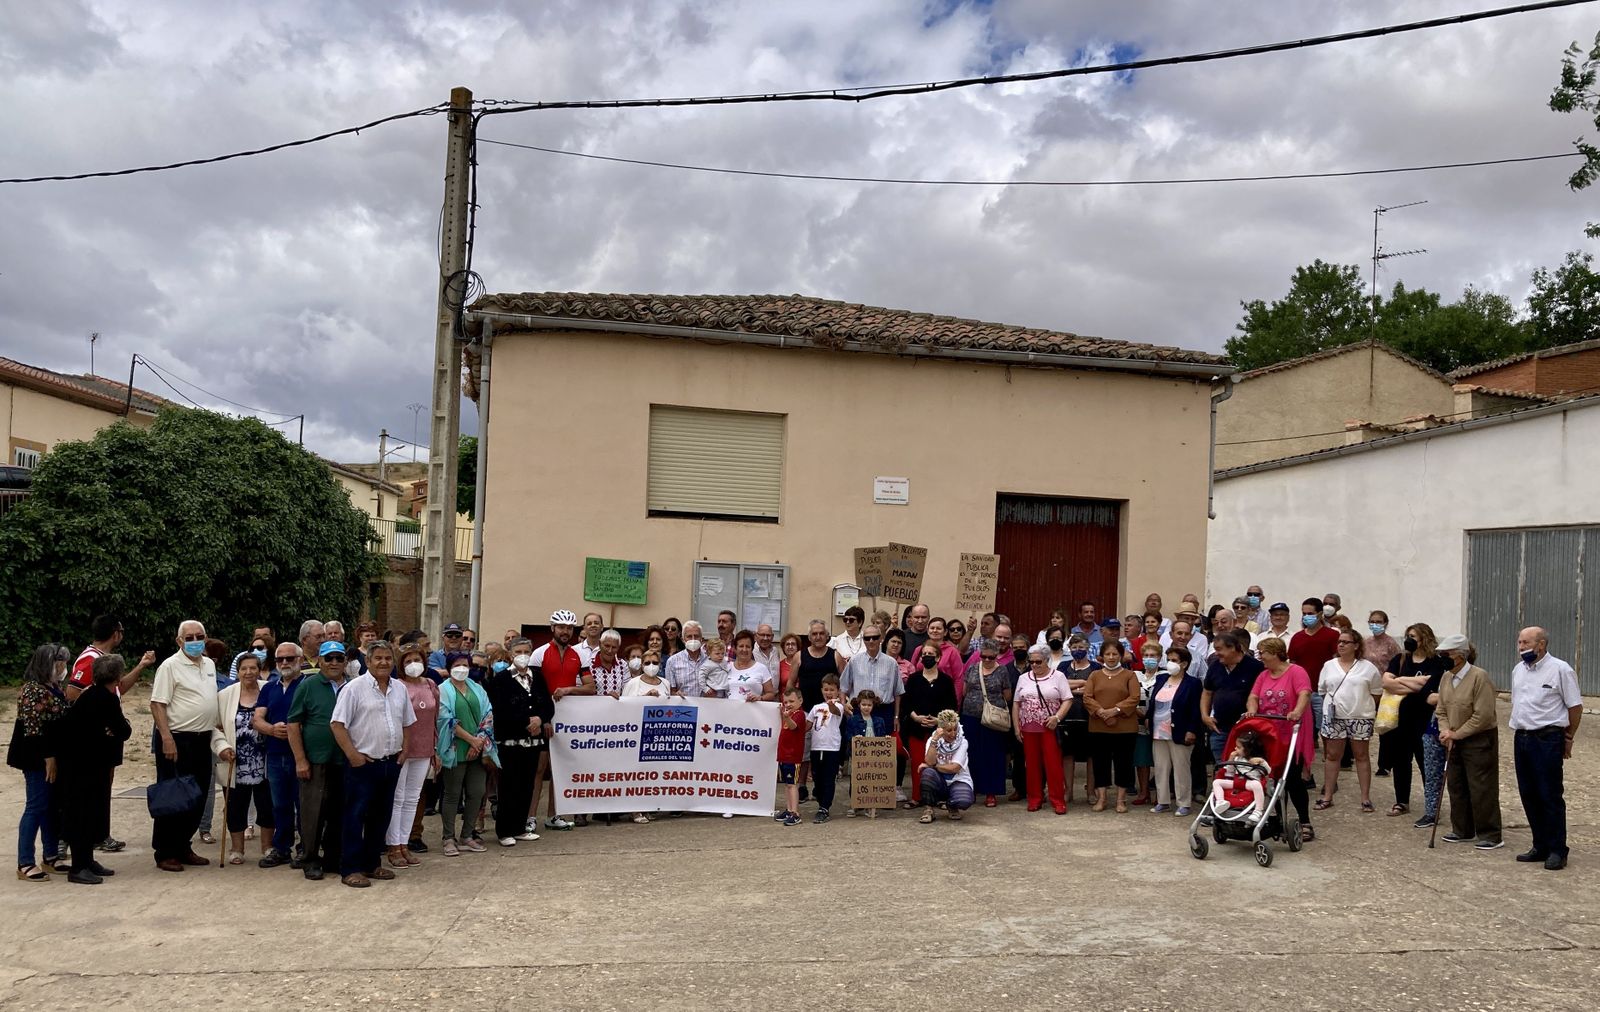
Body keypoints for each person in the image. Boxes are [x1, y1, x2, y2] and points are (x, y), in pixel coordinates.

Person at [328, 639, 414, 888]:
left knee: (381, 816)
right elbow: (337, 724)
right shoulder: (354, 689)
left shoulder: (399, 689)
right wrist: (353, 755)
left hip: (390, 763)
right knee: (355, 815)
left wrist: (405, 750)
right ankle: (351, 868)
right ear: (368, 661)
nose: (383, 662)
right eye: (378, 658)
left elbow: (408, 723)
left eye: (388, 658)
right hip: (362, 764)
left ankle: (372, 863)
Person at [149, 619, 224, 872]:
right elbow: (158, 704)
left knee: (199, 794)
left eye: (199, 636)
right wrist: (167, 738)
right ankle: (165, 851)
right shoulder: (169, 666)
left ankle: (183, 846)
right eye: (189, 637)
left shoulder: (210, 664)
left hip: (203, 739)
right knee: (173, 795)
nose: (194, 641)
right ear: (179, 641)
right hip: (177, 739)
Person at [54, 655, 134, 884]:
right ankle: (79, 867)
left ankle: (87, 860)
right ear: (117, 677)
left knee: (91, 812)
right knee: (82, 813)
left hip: (87, 763)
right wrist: (117, 727)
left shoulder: (90, 693)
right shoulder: (105, 698)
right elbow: (123, 730)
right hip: (84, 765)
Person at [1507, 626, 1581, 870]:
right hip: (1523, 737)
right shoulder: (1518, 670)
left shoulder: (1560, 669)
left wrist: (1568, 737)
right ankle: (1539, 845)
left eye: (1526, 642)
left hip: (1547, 738)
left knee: (1549, 795)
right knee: (1528, 793)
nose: (1521, 647)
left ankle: (1558, 849)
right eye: (1519, 643)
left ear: (1541, 644)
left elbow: (1575, 706)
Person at [288, 640, 351, 881]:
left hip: (344, 759)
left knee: (339, 810)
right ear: (320, 661)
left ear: (345, 661)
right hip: (316, 759)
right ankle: (310, 858)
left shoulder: (352, 687)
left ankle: (333, 856)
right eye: (329, 658)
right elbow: (293, 723)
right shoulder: (308, 685)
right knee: (312, 811)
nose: (334, 663)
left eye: (338, 658)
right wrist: (300, 759)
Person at [1434, 634, 1502, 850]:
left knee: (1481, 786)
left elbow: (1482, 716)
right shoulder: (1446, 677)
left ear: (1460, 656)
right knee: (1456, 784)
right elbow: (1441, 709)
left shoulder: (1479, 677)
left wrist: (1458, 734)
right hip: (1453, 738)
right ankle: (1462, 829)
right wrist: (1446, 731)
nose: (1442, 658)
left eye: (1446, 654)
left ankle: (1490, 834)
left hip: (1478, 739)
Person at [10, 644, 70, 880]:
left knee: (51, 807)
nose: (64, 666)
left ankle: (50, 856)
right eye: (61, 662)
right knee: (36, 805)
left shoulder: (53, 686)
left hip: (53, 754)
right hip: (37, 758)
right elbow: (33, 730)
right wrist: (49, 759)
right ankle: (25, 862)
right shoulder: (33, 690)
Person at [1247, 637, 1315, 843]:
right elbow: (1254, 696)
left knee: (1292, 779)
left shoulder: (1296, 672)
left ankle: (1305, 821)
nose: (1261, 658)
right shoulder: (1263, 675)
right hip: (1269, 732)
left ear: (1275, 653)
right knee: (1272, 778)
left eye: (1263, 653)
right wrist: (1252, 711)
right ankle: (1278, 818)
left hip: (1290, 732)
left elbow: (1304, 693)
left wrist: (1297, 711)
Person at [530, 610, 593, 829]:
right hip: (544, 718)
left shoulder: (579, 655)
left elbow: (590, 688)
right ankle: (530, 817)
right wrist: (544, 717)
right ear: (552, 628)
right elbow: (534, 691)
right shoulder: (538, 654)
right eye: (561, 627)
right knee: (539, 769)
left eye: (569, 628)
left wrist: (568, 689)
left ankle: (553, 815)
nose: (565, 632)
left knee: (559, 769)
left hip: (567, 719)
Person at [488, 638, 554, 847]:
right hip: (510, 742)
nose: (523, 655)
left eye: (527, 651)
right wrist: (525, 722)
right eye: (519, 651)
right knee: (509, 786)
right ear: (510, 654)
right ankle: (504, 830)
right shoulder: (501, 680)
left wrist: (540, 719)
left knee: (526, 785)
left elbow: (547, 704)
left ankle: (519, 827)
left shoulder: (538, 677)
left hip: (533, 743)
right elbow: (499, 710)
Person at [1380, 624, 1447, 826]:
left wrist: (1400, 681)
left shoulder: (1436, 662)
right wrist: (1415, 684)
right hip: (1401, 718)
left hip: (1425, 719)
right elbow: (1387, 682)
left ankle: (1432, 806)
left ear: (1424, 638)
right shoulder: (1400, 659)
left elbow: (1430, 684)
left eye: (1413, 636)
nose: (1409, 639)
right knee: (1401, 762)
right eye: (1407, 635)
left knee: (1426, 763)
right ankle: (1402, 801)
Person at [1315, 630, 1383, 813]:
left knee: (1361, 756)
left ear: (1356, 645)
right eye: (1339, 642)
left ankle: (1365, 798)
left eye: (1346, 642)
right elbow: (1322, 691)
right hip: (1335, 717)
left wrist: (1360, 706)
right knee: (1332, 756)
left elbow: (1376, 692)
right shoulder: (1328, 665)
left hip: (1360, 717)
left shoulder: (1367, 667)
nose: (1341, 645)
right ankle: (1328, 795)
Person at [214, 653, 272, 866]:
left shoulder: (269, 689)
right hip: (236, 761)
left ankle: (267, 847)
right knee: (235, 806)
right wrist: (222, 747)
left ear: (259, 669)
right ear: (237, 672)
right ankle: (237, 848)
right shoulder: (225, 695)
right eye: (244, 669)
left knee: (267, 805)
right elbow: (214, 726)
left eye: (253, 668)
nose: (249, 672)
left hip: (264, 760)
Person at [436, 653, 496, 856]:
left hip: (477, 749)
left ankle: (467, 835)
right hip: (455, 748)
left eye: (465, 665)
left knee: (477, 792)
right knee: (452, 795)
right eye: (457, 665)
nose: (461, 668)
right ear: (449, 667)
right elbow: (445, 718)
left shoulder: (477, 688)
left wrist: (478, 741)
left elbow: (488, 713)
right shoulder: (442, 690)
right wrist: (470, 740)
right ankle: (448, 837)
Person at [386, 641, 439, 868]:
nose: (413, 664)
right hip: (402, 749)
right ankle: (393, 846)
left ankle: (405, 843)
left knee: (412, 799)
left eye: (417, 660)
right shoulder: (396, 685)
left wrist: (435, 749)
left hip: (424, 749)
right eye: (408, 661)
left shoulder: (430, 684)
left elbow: (436, 719)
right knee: (397, 799)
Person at [253, 643, 304, 869]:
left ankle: (306, 849)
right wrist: (272, 729)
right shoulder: (269, 688)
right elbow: (257, 718)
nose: (284, 663)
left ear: (300, 660)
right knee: (280, 805)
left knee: (303, 805)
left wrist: (296, 730)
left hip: (301, 755)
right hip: (275, 754)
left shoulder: (308, 685)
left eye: (289, 658)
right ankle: (282, 848)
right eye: (280, 659)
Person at [1010, 645, 1072, 815]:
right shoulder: (1024, 678)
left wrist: (1057, 717)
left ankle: (1057, 800)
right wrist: (1017, 727)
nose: (1035, 665)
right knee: (1031, 765)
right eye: (1032, 662)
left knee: (1053, 765)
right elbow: (1016, 703)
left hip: (1049, 728)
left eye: (1039, 661)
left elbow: (1067, 699)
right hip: (1028, 728)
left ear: (1047, 660)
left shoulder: (1058, 676)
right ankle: (1034, 798)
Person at [1083, 640, 1140, 813]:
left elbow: (1134, 697)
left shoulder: (1130, 675)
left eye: (1115, 654)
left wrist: (1114, 711)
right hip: (1099, 726)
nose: (1111, 657)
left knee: (1124, 762)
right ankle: (1102, 798)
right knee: (1101, 763)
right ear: (1102, 656)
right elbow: (1087, 697)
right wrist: (1101, 712)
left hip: (1124, 728)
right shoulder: (1094, 675)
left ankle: (1121, 800)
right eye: (1108, 654)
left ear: (1121, 656)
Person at [1149, 644, 1203, 817]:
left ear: (1184, 664)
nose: (1170, 663)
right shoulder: (1161, 679)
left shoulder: (1193, 683)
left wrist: (1192, 730)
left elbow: (1196, 709)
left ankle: (1183, 802)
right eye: (1169, 660)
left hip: (1180, 731)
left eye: (1174, 660)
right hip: (1159, 731)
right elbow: (1154, 703)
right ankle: (1163, 801)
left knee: (1181, 768)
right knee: (1161, 767)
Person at [902, 642, 957, 809]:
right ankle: (917, 797)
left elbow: (952, 706)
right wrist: (916, 718)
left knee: (940, 763)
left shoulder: (946, 681)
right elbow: (906, 703)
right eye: (923, 654)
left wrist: (939, 721)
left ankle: (939, 797)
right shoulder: (913, 679)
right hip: (917, 728)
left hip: (939, 730)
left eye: (930, 654)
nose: (926, 657)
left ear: (938, 657)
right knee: (918, 763)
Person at [792, 621, 842, 804]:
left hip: (829, 713)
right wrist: (792, 706)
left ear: (827, 635)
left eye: (822, 633)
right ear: (810, 636)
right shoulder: (800, 656)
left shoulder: (835, 656)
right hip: (806, 710)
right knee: (805, 753)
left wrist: (841, 704)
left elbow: (844, 682)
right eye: (814, 634)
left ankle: (821, 788)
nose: (818, 637)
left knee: (824, 753)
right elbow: (791, 684)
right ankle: (803, 786)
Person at [959, 639, 1012, 807]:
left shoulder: (1002, 671)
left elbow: (1008, 695)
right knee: (971, 754)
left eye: (991, 657)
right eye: (984, 656)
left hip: (992, 720)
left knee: (993, 755)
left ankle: (991, 792)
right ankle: (972, 789)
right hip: (970, 717)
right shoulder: (973, 668)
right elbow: (964, 690)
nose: (987, 660)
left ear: (996, 656)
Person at [1289, 598, 1341, 763]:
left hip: (1323, 692)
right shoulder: (1297, 637)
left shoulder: (1332, 635)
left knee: (1326, 731)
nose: (1306, 617)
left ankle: (1330, 765)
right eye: (1304, 614)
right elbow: (1293, 664)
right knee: (1303, 732)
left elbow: (1336, 662)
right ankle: (1305, 767)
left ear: (1319, 614)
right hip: (1302, 692)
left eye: (1310, 614)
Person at [66, 614, 154, 703]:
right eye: (122, 631)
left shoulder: (101, 657)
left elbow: (119, 687)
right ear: (115, 634)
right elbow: (71, 694)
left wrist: (141, 665)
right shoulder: (91, 659)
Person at [1056, 633, 1099, 803]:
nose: (1078, 650)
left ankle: (1091, 793)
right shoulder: (1063, 665)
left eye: (1081, 647)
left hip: (1089, 717)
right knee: (1067, 755)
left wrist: (1072, 688)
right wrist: (1083, 684)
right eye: (1074, 648)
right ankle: (1068, 792)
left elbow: (1095, 687)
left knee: (1091, 756)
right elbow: (1059, 685)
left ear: (1088, 648)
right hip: (1067, 717)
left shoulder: (1096, 667)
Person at [918, 711, 974, 822]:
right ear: (941, 730)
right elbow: (929, 761)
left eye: (955, 729)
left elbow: (955, 768)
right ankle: (929, 809)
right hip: (940, 780)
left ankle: (952, 806)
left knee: (964, 800)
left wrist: (933, 766)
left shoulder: (963, 742)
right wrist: (934, 740)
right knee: (927, 774)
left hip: (958, 779)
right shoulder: (932, 740)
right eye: (949, 730)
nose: (953, 734)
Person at [843, 690, 892, 817]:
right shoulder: (853, 720)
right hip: (858, 756)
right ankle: (855, 805)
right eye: (864, 704)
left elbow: (881, 737)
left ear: (873, 705)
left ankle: (870, 806)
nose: (866, 707)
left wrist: (886, 739)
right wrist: (855, 737)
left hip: (874, 757)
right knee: (856, 780)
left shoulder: (879, 720)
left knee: (872, 780)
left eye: (869, 705)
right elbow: (847, 735)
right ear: (859, 704)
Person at [841, 626, 902, 724]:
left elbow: (897, 692)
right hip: (859, 710)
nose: (871, 641)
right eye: (867, 638)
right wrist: (844, 705)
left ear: (881, 638)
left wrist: (896, 716)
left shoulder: (891, 663)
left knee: (884, 739)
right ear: (863, 640)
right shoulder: (854, 661)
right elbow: (843, 687)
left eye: (875, 637)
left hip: (884, 711)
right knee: (858, 739)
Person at [806, 675, 846, 823]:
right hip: (816, 748)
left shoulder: (839, 706)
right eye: (826, 689)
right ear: (822, 690)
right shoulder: (816, 708)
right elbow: (808, 725)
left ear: (837, 691)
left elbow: (835, 711)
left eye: (832, 690)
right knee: (817, 777)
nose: (829, 692)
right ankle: (820, 796)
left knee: (829, 779)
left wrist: (831, 704)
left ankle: (824, 808)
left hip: (831, 749)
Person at [1211, 729, 1271, 816]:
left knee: (1257, 785)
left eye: (1238, 747)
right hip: (1236, 782)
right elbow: (1229, 773)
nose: (1235, 749)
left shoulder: (1258, 760)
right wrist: (1231, 760)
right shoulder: (1236, 758)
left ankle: (1258, 810)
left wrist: (1262, 762)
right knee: (1216, 782)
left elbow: (1268, 771)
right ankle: (1220, 802)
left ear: (1248, 749)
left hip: (1250, 783)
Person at [774, 687, 807, 826]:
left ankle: (795, 812)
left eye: (791, 701)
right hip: (784, 755)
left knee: (792, 784)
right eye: (786, 702)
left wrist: (786, 717)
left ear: (800, 700)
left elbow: (793, 727)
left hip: (793, 756)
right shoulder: (789, 714)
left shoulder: (799, 714)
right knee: (787, 785)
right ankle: (789, 809)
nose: (788, 704)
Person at [665, 620, 710, 698]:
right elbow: (670, 691)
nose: (693, 639)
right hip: (685, 708)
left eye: (696, 636)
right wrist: (676, 694)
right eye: (689, 636)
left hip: (707, 707)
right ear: (683, 639)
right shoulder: (672, 661)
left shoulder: (710, 659)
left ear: (701, 638)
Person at [727, 630, 776, 703]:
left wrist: (760, 698)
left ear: (752, 649)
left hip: (752, 712)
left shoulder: (761, 668)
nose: (744, 649)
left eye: (748, 646)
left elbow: (771, 694)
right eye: (741, 646)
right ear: (734, 649)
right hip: (728, 711)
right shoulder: (726, 667)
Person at [590, 630, 631, 698]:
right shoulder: (588, 665)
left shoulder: (623, 665)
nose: (610, 650)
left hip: (616, 707)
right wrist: (606, 699)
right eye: (607, 646)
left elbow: (628, 691)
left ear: (618, 648)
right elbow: (582, 693)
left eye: (614, 647)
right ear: (600, 644)